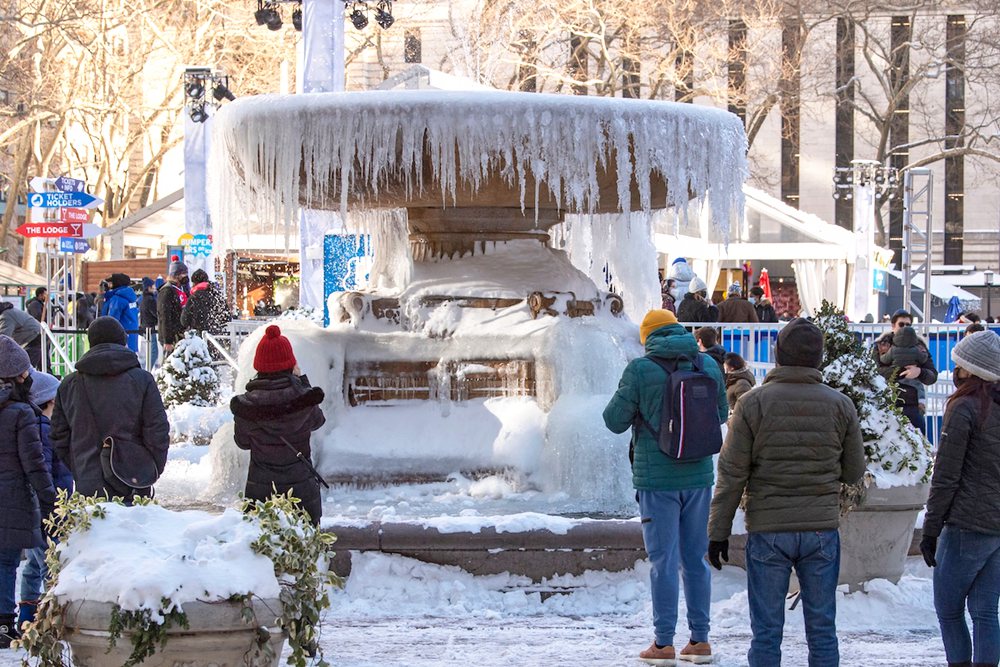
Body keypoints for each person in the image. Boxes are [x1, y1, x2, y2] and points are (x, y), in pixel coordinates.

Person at [707, 318, 865, 667]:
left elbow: (732, 474)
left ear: (778, 355)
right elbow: (854, 471)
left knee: (766, 632)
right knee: (822, 629)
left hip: (768, 529)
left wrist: (717, 533)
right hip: (821, 529)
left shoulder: (752, 403)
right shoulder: (841, 405)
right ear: (819, 358)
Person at [602, 309, 727, 666]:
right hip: (700, 476)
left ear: (648, 337)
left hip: (657, 482)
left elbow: (613, 421)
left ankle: (663, 643)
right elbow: (720, 413)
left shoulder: (641, 370)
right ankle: (700, 641)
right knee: (695, 560)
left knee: (663, 562)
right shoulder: (707, 365)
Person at [920, 331, 1000, 667]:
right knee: (985, 613)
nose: (954, 370)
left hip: (966, 524)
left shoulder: (964, 407)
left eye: (959, 365)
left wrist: (931, 529)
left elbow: (946, 475)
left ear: (971, 370)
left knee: (949, 611)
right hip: (997, 528)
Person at [50, 317, 169, 500]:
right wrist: (151, 467)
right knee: (136, 527)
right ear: (123, 340)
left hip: (88, 482)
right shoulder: (142, 380)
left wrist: (80, 466)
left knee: (95, 527)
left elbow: (59, 436)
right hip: (134, 478)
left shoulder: (70, 384)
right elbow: (157, 430)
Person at [230, 325, 326, 525]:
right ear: (290, 365)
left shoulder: (246, 406)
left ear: (259, 366)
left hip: (262, 493)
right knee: (305, 544)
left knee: (262, 549)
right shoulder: (304, 400)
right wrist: (302, 383)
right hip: (302, 492)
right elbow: (318, 422)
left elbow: (243, 443)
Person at [0, 336, 56, 648]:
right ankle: (4, 623)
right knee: (7, 561)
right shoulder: (21, 413)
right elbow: (34, 462)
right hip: (11, 497)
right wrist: (50, 499)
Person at [17, 370, 72, 628]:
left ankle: (27, 614)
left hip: (41, 507)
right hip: (47, 508)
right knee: (51, 563)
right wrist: (52, 503)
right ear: (48, 403)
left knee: (33, 565)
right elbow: (44, 470)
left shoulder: (39, 427)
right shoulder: (43, 429)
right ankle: (51, 616)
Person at [873, 309, 937, 434]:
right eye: (901, 324)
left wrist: (919, 372)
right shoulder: (882, 345)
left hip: (913, 405)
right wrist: (900, 370)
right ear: (893, 326)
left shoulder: (919, 346)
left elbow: (932, 375)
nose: (905, 328)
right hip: (887, 404)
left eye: (908, 325)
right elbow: (875, 372)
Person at [181, 269, 230, 336]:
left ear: (194, 283)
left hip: (201, 338)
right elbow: (227, 317)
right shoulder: (217, 295)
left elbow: (184, 320)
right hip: (219, 337)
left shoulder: (194, 297)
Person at [157, 256, 189, 358]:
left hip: (179, 334)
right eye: (184, 274)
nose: (186, 276)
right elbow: (164, 316)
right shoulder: (167, 291)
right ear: (177, 275)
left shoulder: (180, 289)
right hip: (172, 336)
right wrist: (168, 340)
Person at [102, 273, 139, 354]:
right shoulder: (131, 297)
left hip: (120, 338)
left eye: (110, 283)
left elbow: (111, 320)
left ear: (116, 283)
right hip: (132, 336)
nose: (108, 285)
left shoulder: (117, 298)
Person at [0, 302, 43, 371]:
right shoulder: (8, 311)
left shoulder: (6, 316)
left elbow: (3, 337)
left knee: (24, 368)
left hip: (33, 337)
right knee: (40, 365)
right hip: (36, 335)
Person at [139, 278, 159, 369]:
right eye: (153, 286)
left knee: (150, 351)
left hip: (145, 326)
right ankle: (148, 370)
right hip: (150, 328)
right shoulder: (150, 300)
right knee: (153, 352)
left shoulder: (144, 299)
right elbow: (155, 313)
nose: (154, 287)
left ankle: (148, 368)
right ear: (149, 287)